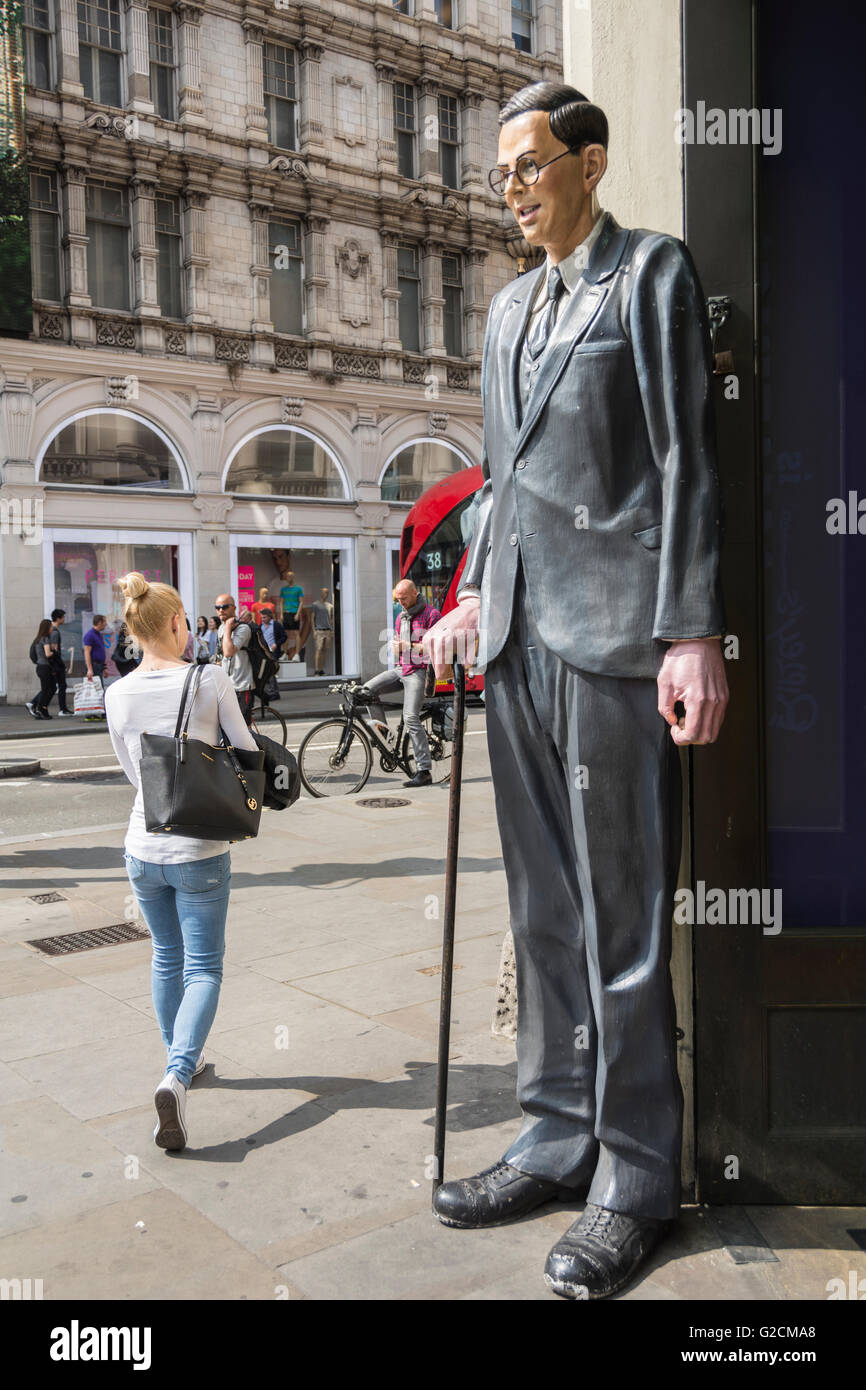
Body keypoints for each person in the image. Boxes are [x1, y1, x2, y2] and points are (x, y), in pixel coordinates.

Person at [423, 83, 728, 1300]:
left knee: (620, 919)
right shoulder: (504, 315)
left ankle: (637, 1171)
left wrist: (690, 631)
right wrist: (469, 593)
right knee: (541, 911)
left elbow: (682, 461)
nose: (508, 186)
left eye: (527, 164)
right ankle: (553, 1133)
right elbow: (499, 481)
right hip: (513, 642)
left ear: (588, 164)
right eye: (497, 171)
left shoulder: (648, 275)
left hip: (614, 643)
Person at [105, 572, 259, 1152]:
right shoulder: (209, 678)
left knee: (166, 956)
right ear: (176, 624)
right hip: (201, 848)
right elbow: (244, 749)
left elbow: (134, 772)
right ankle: (176, 1073)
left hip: (142, 846)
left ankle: (181, 1065)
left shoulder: (117, 694)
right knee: (205, 968)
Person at [361, 579, 440, 788]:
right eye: (398, 599)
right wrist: (396, 649)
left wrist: (410, 646)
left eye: (404, 598)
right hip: (401, 668)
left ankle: (424, 771)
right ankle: (383, 735)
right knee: (366, 691)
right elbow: (398, 643)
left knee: (411, 717)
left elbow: (436, 648)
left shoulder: (432, 615)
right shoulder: (401, 617)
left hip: (419, 671)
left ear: (415, 593)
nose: (401, 602)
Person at [215, 593, 254, 725]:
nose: (221, 610)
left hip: (242, 686)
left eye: (225, 607)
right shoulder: (221, 628)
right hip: (226, 687)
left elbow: (228, 652)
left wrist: (227, 628)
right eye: (218, 607)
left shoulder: (243, 628)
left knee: (243, 728)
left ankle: (251, 746)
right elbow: (221, 656)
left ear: (234, 608)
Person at [26, 619, 56, 719]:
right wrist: (54, 651)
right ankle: (40, 708)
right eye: (51, 627)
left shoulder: (37, 639)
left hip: (40, 667)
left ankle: (42, 708)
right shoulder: (45, 638)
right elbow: (47, 654)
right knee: (47, 689)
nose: (52, 628)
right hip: (45, 667)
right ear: (47, 628)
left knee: (51, 688)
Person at [277, 569, 304, 660]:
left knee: (296, 633)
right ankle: (284, 653)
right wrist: (281, 614)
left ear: (293, 577)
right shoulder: (283, 589)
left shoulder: (298, 589)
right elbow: (281, 602)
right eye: (288, 576)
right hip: (286, 613)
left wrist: (297, 613)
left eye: (291, 576)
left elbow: (301, 602)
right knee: (286, 634)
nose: (289, 578)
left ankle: (297, 654)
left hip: (294, 613)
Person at [309, 588, 334, 676]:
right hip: (319, 630)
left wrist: (331, 630)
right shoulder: (315, 605)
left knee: (324, 650)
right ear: (321, 593)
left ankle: (321, 669)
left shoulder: (330, 606)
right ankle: (316, 669)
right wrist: (314, 630)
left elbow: (331, 619)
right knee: (319, 649)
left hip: (327, 630)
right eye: (324, 592)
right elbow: (312, 618)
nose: (325, 594)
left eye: (327, 593)